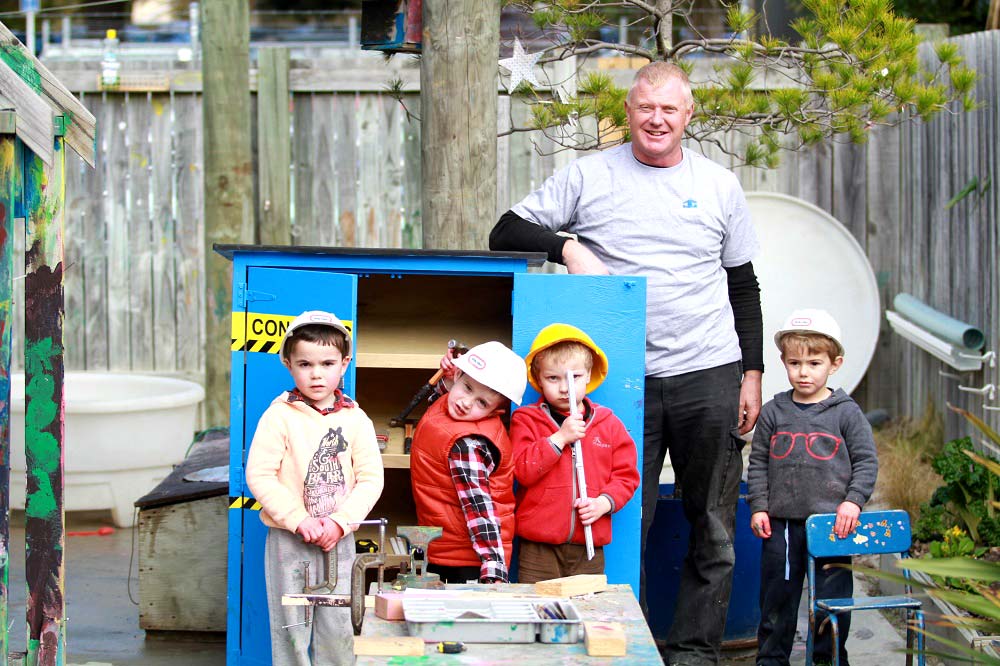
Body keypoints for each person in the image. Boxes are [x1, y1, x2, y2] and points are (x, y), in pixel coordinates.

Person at [490, 60, 764, 664]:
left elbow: (743, 285)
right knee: (618, 528)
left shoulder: (720, 185)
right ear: (628, 113)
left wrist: (751, 373)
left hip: (708, 372)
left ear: (689, 115)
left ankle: (694, 654)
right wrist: (566, 246)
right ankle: (618, 650)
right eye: (646, 107)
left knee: (713, 528)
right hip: (619, 384)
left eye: (670, 108)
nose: (657, 119)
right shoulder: (590, 177)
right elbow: (504, 231)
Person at [245, 310, 385, 666]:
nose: (317, 373)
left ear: (345, 363)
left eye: (327, 363)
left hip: (339, 540)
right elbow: (260, 475)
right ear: (288, 364)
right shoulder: (278, 416)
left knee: (338, 625)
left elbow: (371, 478)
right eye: (305, 364)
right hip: (289, 540)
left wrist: (340, 521)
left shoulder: (356, 419)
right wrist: (298, 519)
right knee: (291, 625)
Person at [747, 309, 878, 666]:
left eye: (814, 363)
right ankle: (771, 659)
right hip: (782, 527)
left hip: (832, 527)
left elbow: (866, 462)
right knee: (778, 599)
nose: (803, 372)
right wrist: (758, 505)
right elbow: (757, 462)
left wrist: (853, 502)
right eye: (794, 363)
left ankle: (828, 659)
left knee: (832, 603)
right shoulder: (775, 412)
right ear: (783, 363)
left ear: (834, 364)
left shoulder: (846, 413)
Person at [510, 323, 640, 582]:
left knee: (587, 610)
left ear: (589, 376)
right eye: (553, 378)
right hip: (538, 545)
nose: (564, 388)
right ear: (538, 380)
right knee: (538, 609)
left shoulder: (608, 423)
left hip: (588, 543)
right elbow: (522, 471)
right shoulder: (526, 420)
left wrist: (604, 503)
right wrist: (559, 439)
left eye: (575, 378)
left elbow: (627, 476)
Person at [409, 340, 527, 584]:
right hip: (446, 547)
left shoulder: (468, 446)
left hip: (468, 560)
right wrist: (448, 381)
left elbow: (479, 507)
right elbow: (440, 410)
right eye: (467, 387)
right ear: (458, 376)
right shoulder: (452, 407)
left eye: (482, 402)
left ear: (497, 409)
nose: (466, 402)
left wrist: (493, 566)